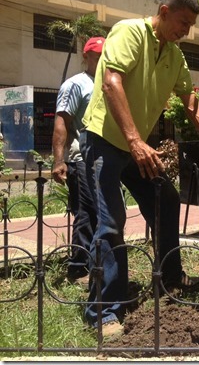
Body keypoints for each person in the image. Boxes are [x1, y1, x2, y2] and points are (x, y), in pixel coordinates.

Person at [80, 0, 199, 336]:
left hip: (136, 145)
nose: (187, 30)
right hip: (104, 141)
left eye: (192, 25)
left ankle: (169, 278)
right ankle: (103, 312)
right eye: (183, 22)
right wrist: (136, 141)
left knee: (165, 198)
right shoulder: (129, 32)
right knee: (110, 221)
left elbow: (192, 105)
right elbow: (111, 82)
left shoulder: (175, 57)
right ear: (164, 12)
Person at [52, 36, 104, 282]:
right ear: (86, 57)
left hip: (101, 158)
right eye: (97, 56)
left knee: (102, 212)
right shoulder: (75, 84)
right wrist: (58, 160)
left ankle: (96, 262)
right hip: (80, 157)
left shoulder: (108, 83)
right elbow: (62, 122)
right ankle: (77, 267)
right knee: (85, 212)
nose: (101, 60)